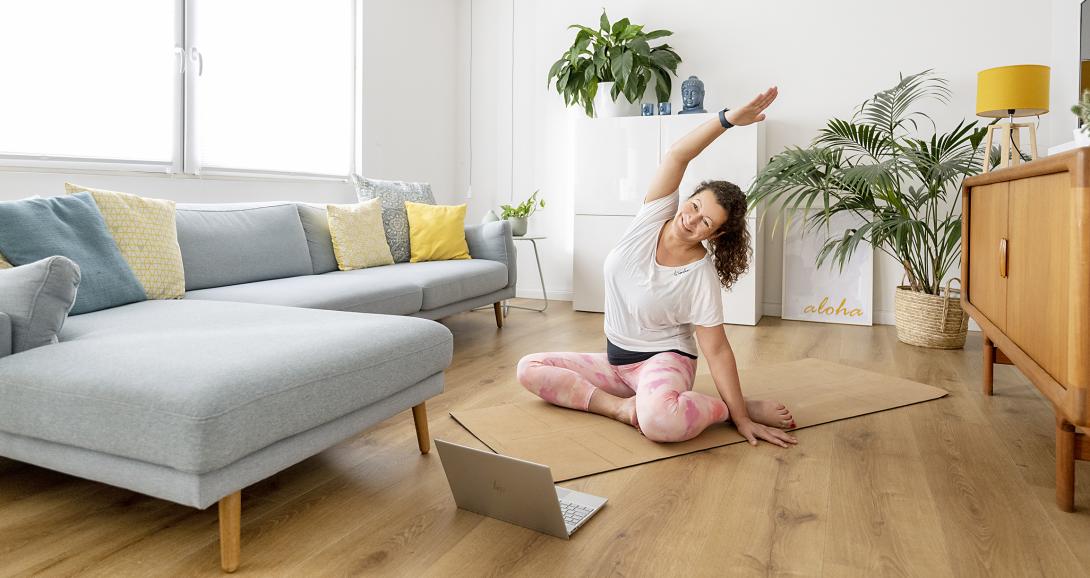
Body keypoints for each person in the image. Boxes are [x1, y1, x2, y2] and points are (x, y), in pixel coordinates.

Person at [517, 87, 797, 448]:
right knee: (529, 368)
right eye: (695, 206)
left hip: (665, 362)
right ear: (689, 198)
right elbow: (678, 154)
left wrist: (741, 417)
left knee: (662, 423)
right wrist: (727, 119)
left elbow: (717, 350)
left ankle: (728, 409)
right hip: (617, 364)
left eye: (706, 222)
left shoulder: (699, 275)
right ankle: (620, 409)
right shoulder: (653, 217)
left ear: (718, 233)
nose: (692, 220)